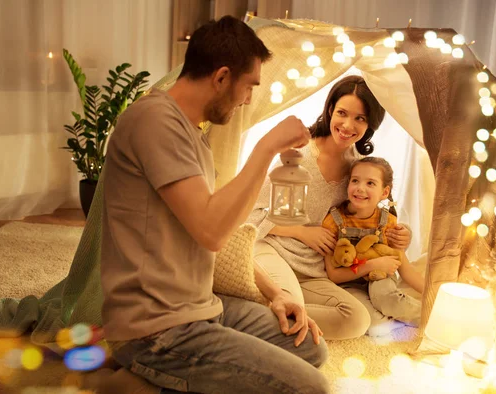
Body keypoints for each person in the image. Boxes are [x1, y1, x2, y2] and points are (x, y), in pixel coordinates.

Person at [100, 16, 329, 394]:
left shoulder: (194, 134)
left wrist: (277, 294)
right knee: (311, 388)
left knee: (309, 348)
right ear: (222, 77)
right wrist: (266, 147)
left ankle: (153, 382)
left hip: (200, 306)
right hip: (156, 327)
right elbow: (210, 231)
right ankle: (139, 376)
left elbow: (222, 233)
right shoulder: (155, 121)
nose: (248, 99)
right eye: (249, 86)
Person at [247, 75, 412, 341]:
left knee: (357, 320)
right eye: (342, 113)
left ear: (370, 124)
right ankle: (274, 314)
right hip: (272, 250)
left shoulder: (357, 167)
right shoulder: (297, 155)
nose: (348, 125)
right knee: (294, 307)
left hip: (313, 268)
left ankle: (264, 314)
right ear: (330, 111)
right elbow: (248, 216)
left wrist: (403, 235)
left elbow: (370, 215)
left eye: (360, 118)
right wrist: (301, 231)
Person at [322, 157, 424, 336]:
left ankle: (429, 317)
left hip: (381, 277)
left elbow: (405, 268)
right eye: (355, 180)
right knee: (372, 323)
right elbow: (334, 275)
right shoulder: (333, 221)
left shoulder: (387, 221)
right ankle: (396, 322)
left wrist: (435, 297)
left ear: (384, 192)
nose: (360, 188)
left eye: (370, 183)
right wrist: (371, 265)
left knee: (386, 299)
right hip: (348, 283)